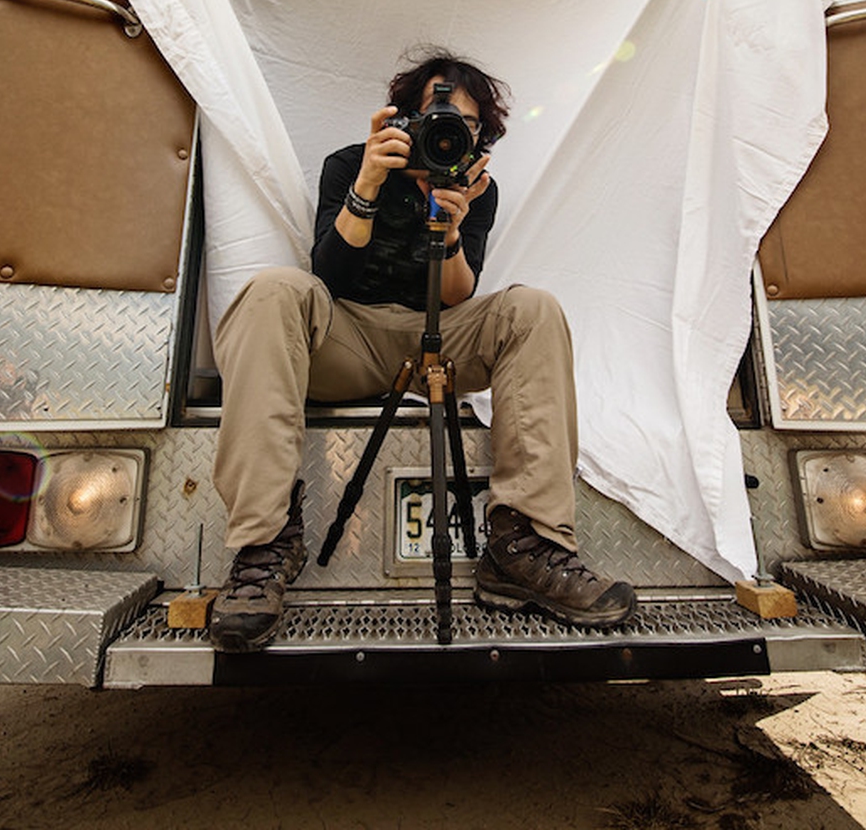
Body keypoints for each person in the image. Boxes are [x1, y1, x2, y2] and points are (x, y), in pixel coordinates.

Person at [208, 49, 637, 652]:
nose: (446, 133)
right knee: (275, 289)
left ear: (479, 137)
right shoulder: (351, 165)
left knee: (532, 307)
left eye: (464, 126)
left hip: (439, 345)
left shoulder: (476, 189)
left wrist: (453, 229)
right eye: (436, 118)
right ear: (404, 118)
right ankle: (264, 542)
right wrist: (366, 186)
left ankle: (525, 546)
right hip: (347, 339)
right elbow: (331, 274)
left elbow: (458, 295)